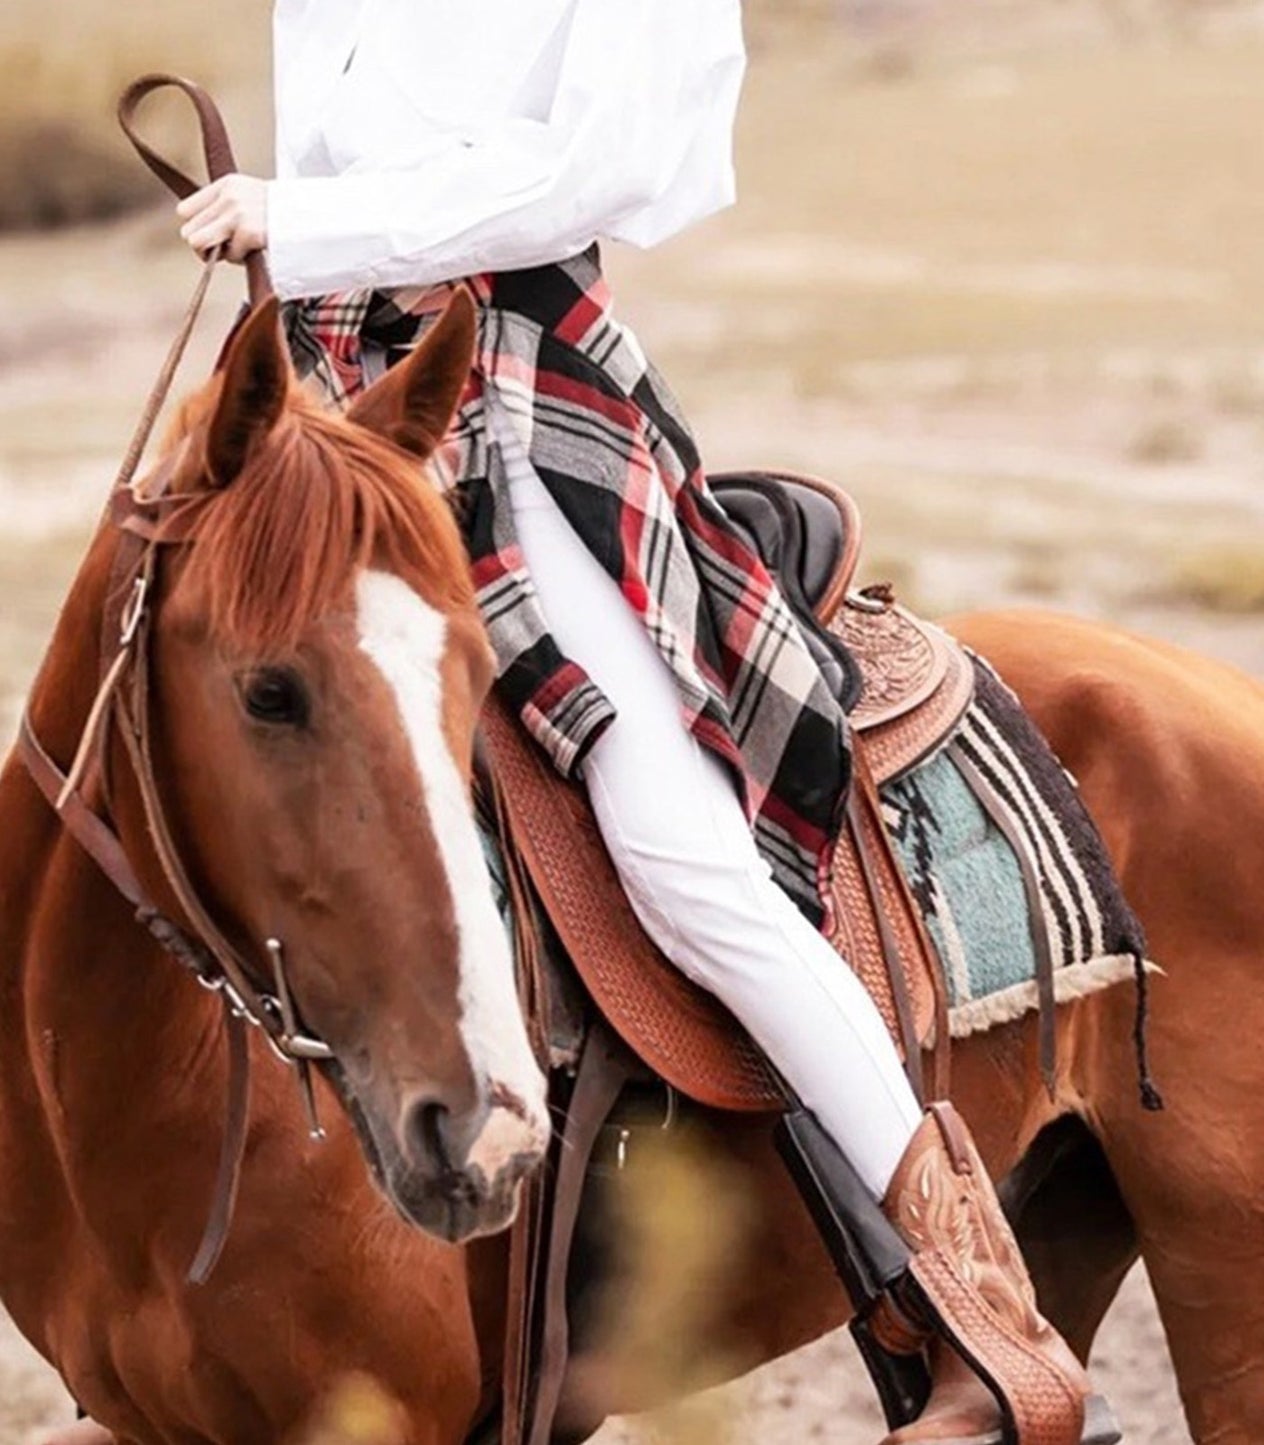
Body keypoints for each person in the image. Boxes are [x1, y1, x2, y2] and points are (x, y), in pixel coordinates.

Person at [43, 4, 1108, 1442]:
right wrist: (295, 266)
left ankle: (975, 1313)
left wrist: (307, 220)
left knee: (677, 847)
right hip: (323, 384)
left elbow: (594, 170)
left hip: (514, 385)